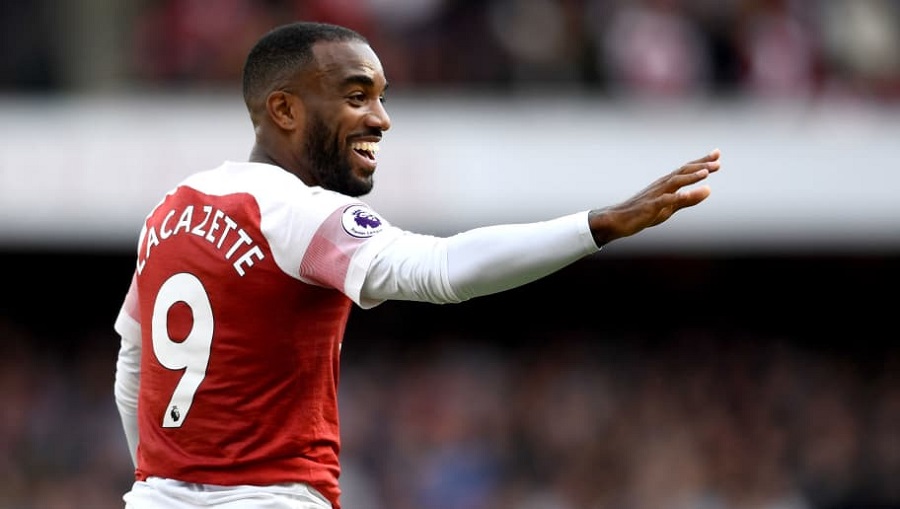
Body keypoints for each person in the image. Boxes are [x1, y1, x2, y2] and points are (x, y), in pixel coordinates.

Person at [113, 20, 721, 509]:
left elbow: (132, 369)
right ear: (285, 110)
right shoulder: (297, 214)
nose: (380, 119)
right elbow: (440, 269)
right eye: (356, 97)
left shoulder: (171, 210)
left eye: (381, 98)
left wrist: (167, 481)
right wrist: (599, 225)